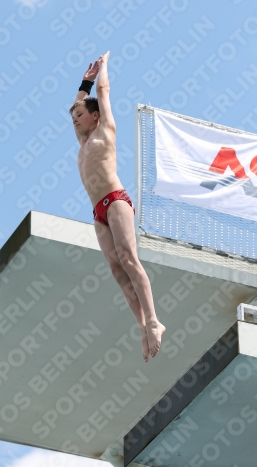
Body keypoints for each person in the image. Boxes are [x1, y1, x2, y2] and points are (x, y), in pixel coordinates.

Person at [69, 51, 165, 362]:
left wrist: (101, 71)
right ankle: (142, 326)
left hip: (116, 200)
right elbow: (77, 103)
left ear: (94, 116)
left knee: (128, 258)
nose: (74, 119)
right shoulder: (82, 143)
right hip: (98, 212)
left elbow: (103, 93)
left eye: (80, 115)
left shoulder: (105, 129)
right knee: (116, 270)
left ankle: (154, 320)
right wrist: (83, 80)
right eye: (73, 117)